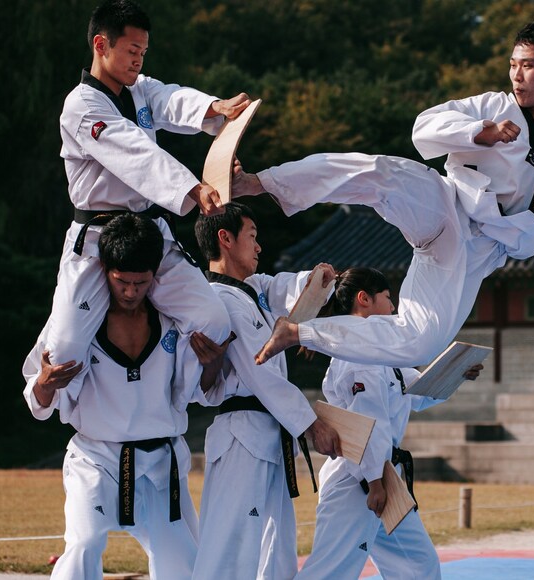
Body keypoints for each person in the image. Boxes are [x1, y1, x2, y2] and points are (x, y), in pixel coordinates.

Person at [236, 21, 534, 369]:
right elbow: (423, 128)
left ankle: (298, 333)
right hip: (448, 205)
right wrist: (480, 132)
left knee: (421, 343)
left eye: (528, 66)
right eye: (513, 64)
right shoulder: (494, 106)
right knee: (381, 175)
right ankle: (259, 182)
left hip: (477, 254)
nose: (516, 75)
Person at [24, 0, 249, 397]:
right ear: (101, 45)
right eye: (131, 52)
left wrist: (214, 107)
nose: (138, 62)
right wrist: (192, 188)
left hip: (149, 232)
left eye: (143, 53)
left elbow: (173, 100)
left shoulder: (140, 90)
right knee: (63, 352)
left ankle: (169, 394)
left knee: (212, 321)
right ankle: (60, 393)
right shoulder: (81, 105)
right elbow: (134, 153)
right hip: (97, 237)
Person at [23, 215, 224, 580]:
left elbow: (192, 392)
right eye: (121, 281)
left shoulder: (171, 322)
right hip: (97, 458)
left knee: (184, 565)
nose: (131, 292)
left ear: (154, 277)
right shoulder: (75, 328)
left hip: (161, 461)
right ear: (105, 270)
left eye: (141, 283)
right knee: (83, 545)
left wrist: (211, 365)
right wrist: (47, 383)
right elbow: (36, 398)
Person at [296, 267, 483, 580]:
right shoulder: (355, 355)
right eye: (387, 298)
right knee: (332, 571)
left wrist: (457, 373)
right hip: (358, 479)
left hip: (385, 477)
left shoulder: (383, 355)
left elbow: (419, 391)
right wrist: (374, 481)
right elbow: (369, 419)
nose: (394, 307)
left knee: (419, 565)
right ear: (364, 300)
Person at [190, 202, 342, 580]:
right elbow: (261, 374)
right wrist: (310, 424)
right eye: (252, 237)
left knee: (276, 547)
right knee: (232, 547)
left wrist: (317, 279)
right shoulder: (220, 301)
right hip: (243, 434)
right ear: (225, 239)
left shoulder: (251, 291)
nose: (259, 247)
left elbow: (284, 287)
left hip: (268, 433)